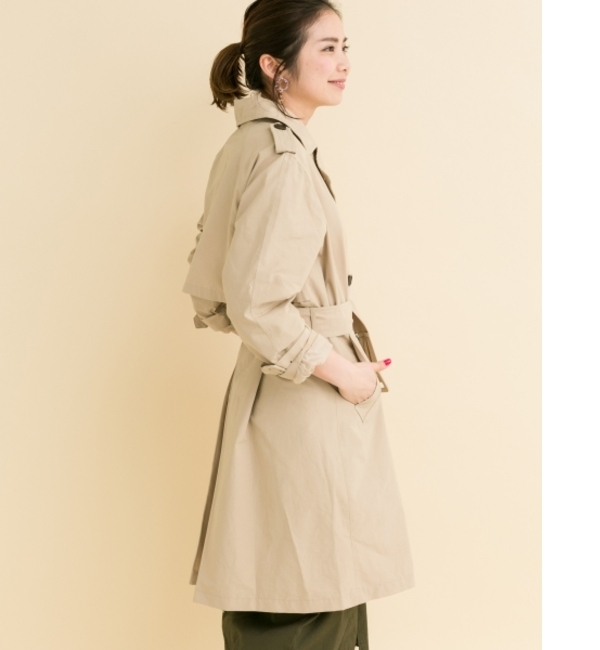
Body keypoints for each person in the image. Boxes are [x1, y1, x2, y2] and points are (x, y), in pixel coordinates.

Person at [182, 1, 415, 647]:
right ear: (273, 65)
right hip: (303, 402)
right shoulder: (282, 157)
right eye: (327, 48)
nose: (343, 63)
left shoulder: (251, 144)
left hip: (277, 391)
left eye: (346, 47)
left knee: (289, 590)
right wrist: (346, 374)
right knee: (311, 598)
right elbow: (256, 304)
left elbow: (220, 293)